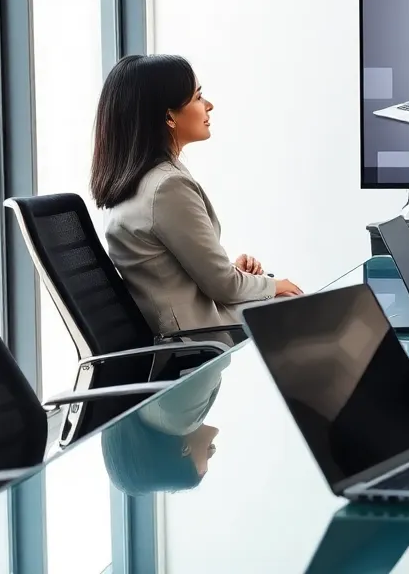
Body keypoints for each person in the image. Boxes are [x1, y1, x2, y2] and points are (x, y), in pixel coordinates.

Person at [92, 54, 301, 338]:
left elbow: (174, 273)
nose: (209, 106)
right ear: (168, 116)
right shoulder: (167, 187)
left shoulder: (138, 181)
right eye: (198, 97)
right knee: (301, 306)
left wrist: (235, 273)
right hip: (200, 342)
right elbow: (223, 286)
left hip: (190, 330)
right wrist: (274, 285)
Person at [101, 357, 228, 495]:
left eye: (203, 471)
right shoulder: (152, 413)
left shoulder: (176, 418)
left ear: (184, 450)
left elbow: (221, 348)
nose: (211, 453)